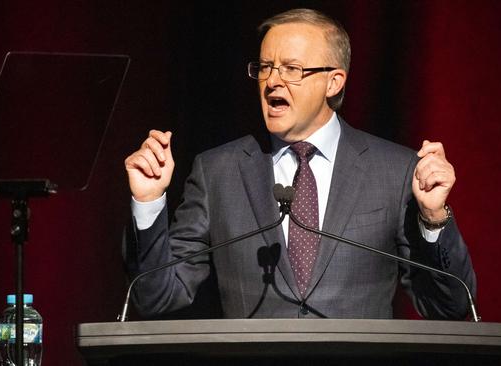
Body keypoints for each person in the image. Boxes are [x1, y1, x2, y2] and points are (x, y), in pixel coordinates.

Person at [123, 8, 476, 319]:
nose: (272, 81)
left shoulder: (395, 170)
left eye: (291, 68)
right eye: (265, 67)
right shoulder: (218, 172)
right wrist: (149, 204)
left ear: (333, 82)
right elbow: (156, 297)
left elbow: (449, 305)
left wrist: (433, 219)